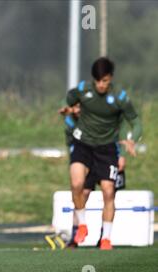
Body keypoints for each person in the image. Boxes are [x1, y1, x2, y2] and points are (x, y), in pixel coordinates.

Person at [58, 57, 142, 250]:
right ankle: (82, 226)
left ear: (110, 78)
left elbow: (135, 121)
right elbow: (67, 99)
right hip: (83, 144)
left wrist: (132, 139)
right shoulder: (84, 89)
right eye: (97, 81)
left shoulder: (119, 98)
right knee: (77, 184)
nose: (100, 85)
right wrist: (64, 108)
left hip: (107, 149)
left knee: (108, 191)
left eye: (104, 81)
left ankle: (106, 239)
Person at [61, 105, 129, 248]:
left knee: (108, 192)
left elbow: (121, 131)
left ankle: (105, 238)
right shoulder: (72, 121)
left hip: (107, 155)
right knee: (81, 192)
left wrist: (122, 155)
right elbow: (71, 139)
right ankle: (76, 234)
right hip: (87, 157)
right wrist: (71, 115)